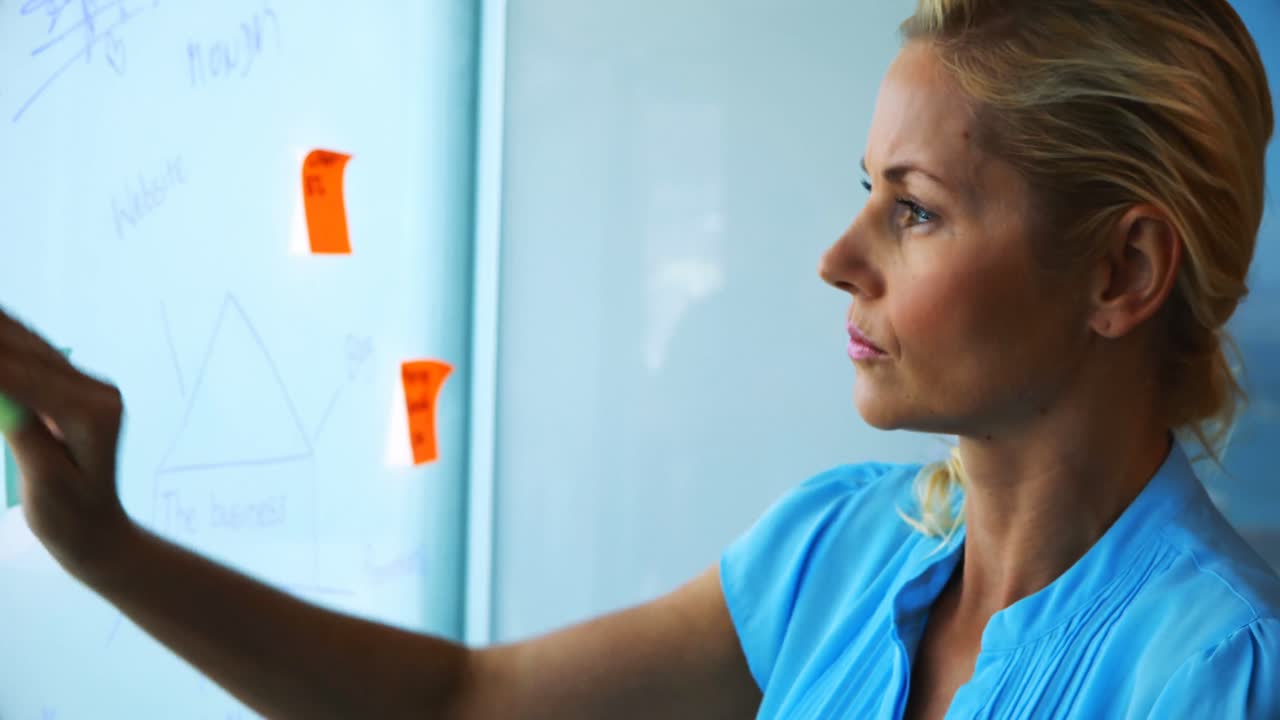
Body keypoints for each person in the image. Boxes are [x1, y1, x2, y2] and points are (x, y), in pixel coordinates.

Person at [3, 0, 1279, 717]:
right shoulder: (836, 553)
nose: (836, 255)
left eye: (914, 207)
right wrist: (106, 549)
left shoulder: (1216, 675)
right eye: (862, 191)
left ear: (1119, 274)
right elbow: (460, 705)